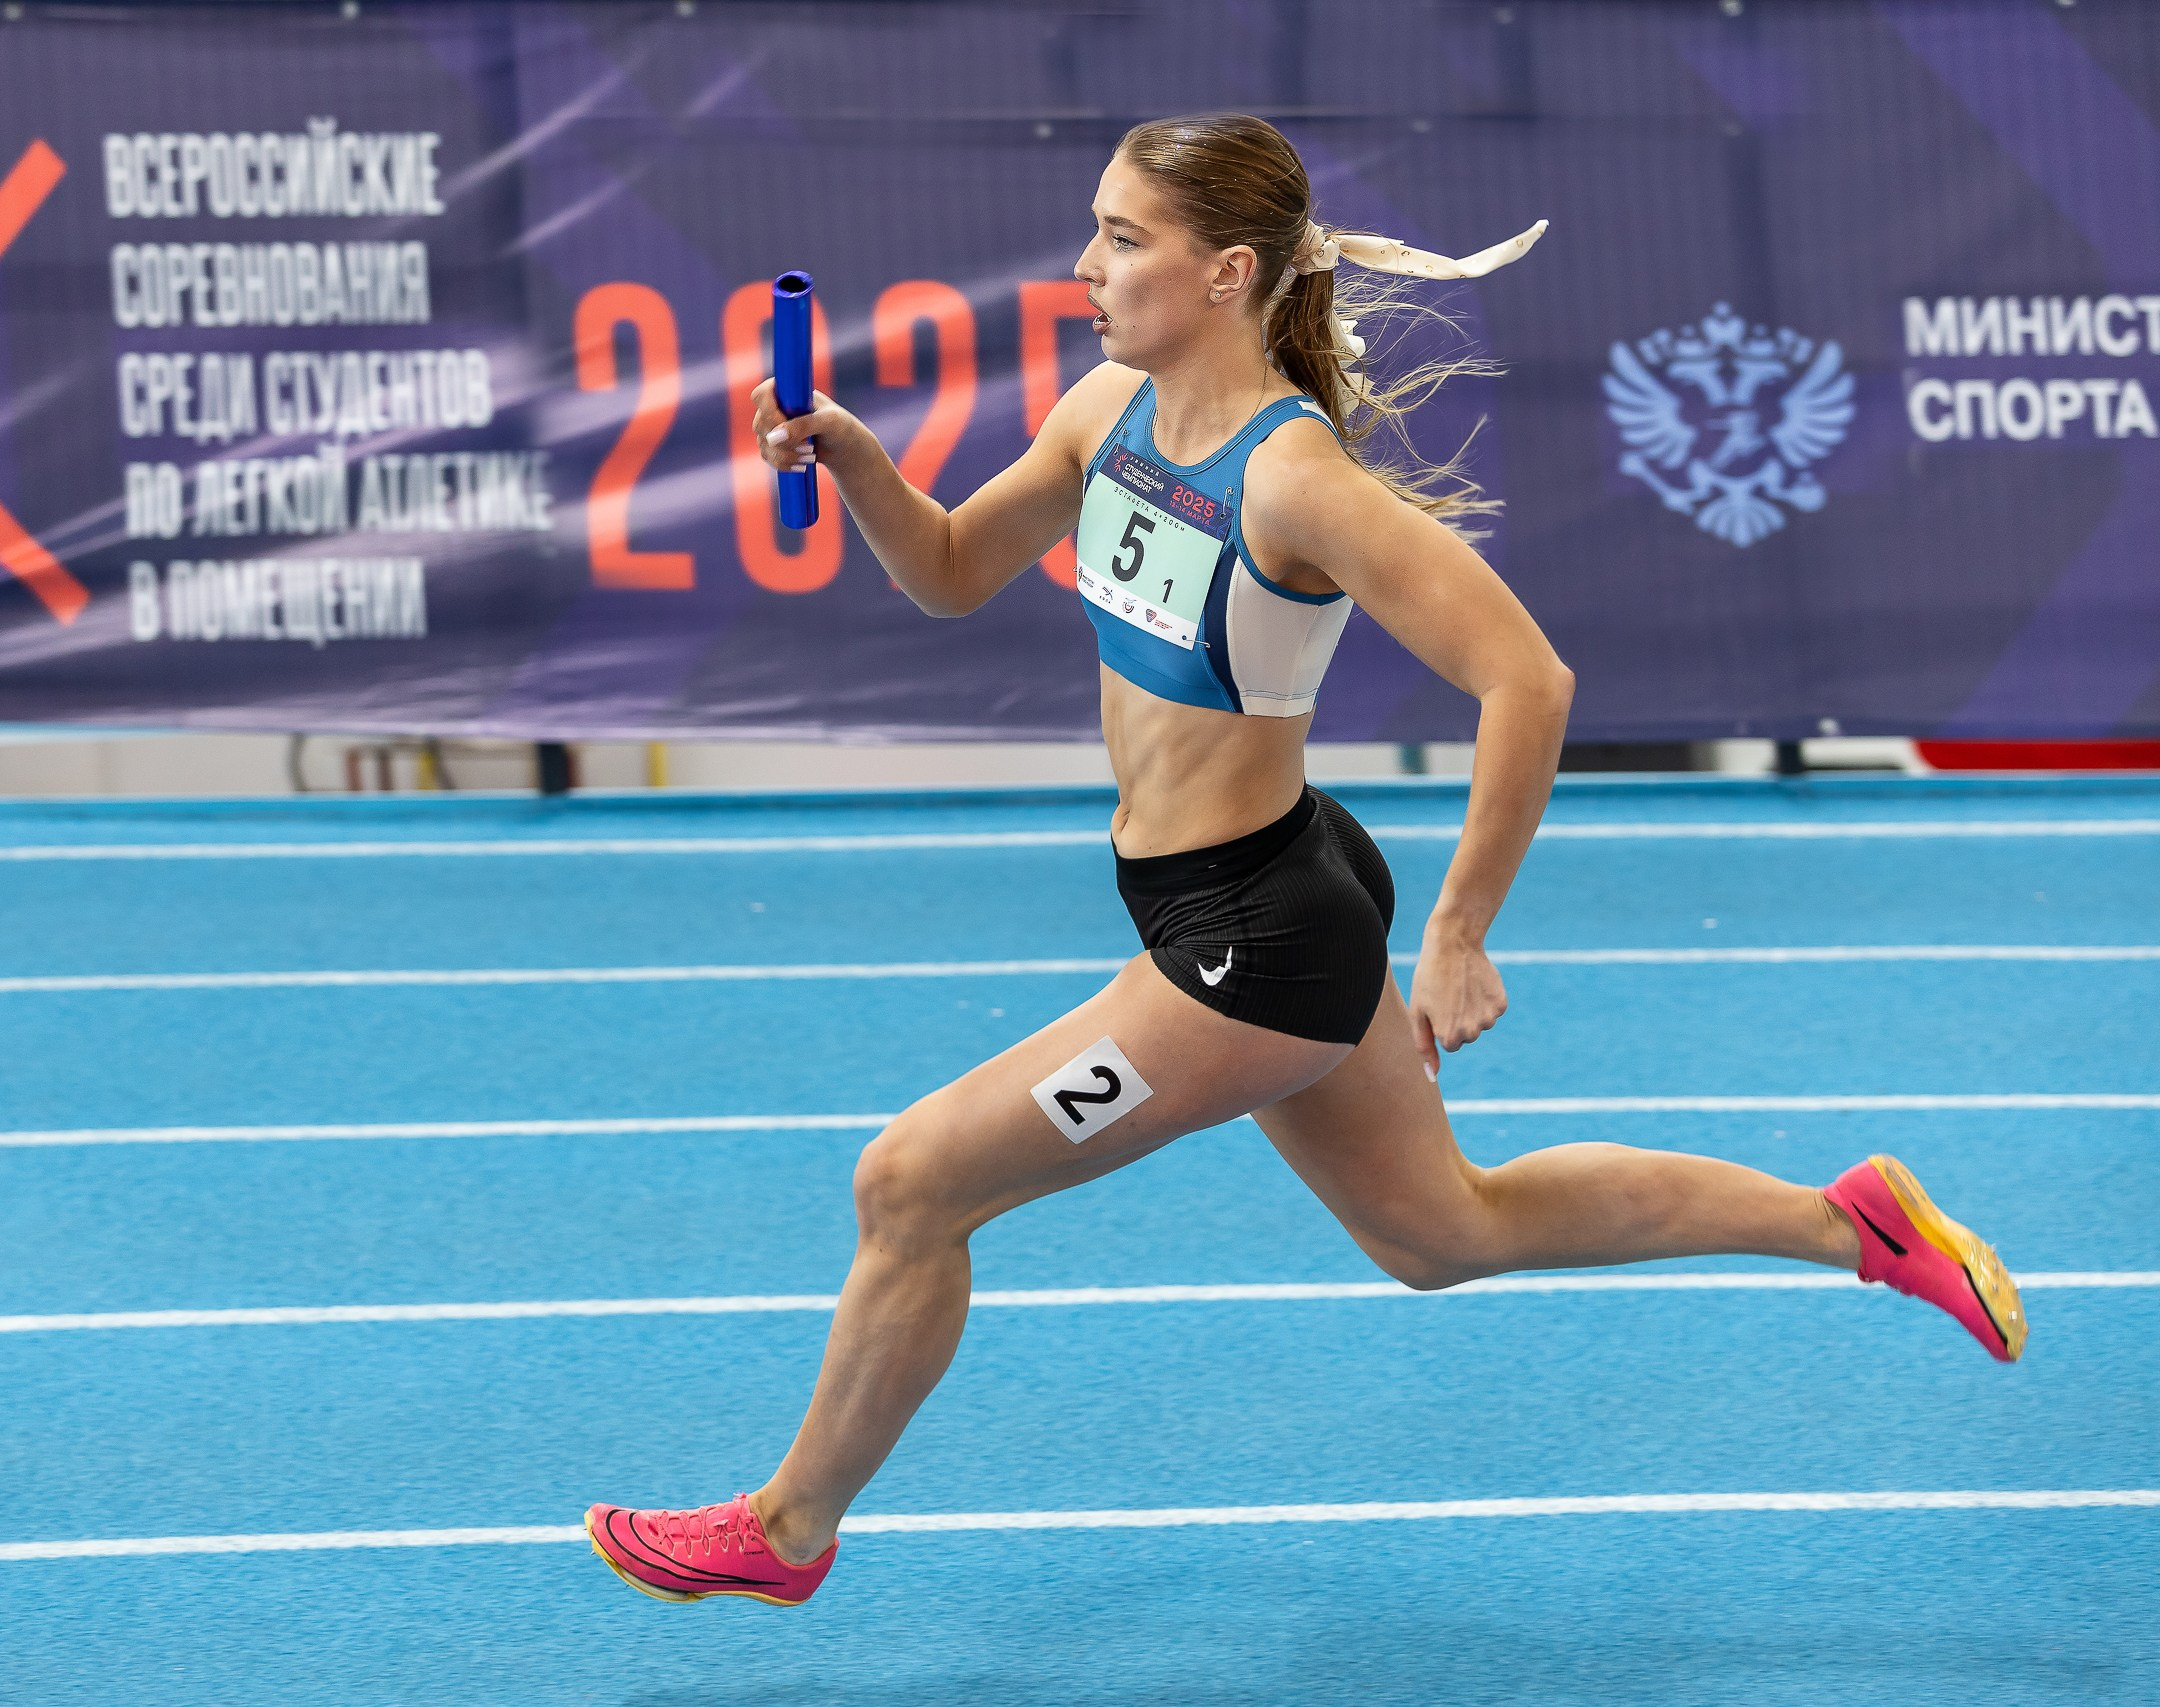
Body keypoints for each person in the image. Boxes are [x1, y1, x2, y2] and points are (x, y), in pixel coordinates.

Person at [585, 112, 2025, 1608]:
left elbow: (1527, 681)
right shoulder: (1105, 413)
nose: (1086, 265)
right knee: (1444, 1232)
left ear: (1226, 273)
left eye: (1122, 239)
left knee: (911, 1184)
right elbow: (951, 571)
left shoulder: (1296, 484)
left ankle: (788, 1527)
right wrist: (868, 467)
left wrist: (1464, 931)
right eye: (1094, 229)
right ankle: (1848, 1222)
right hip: (1274, 890)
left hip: (1249, 951)